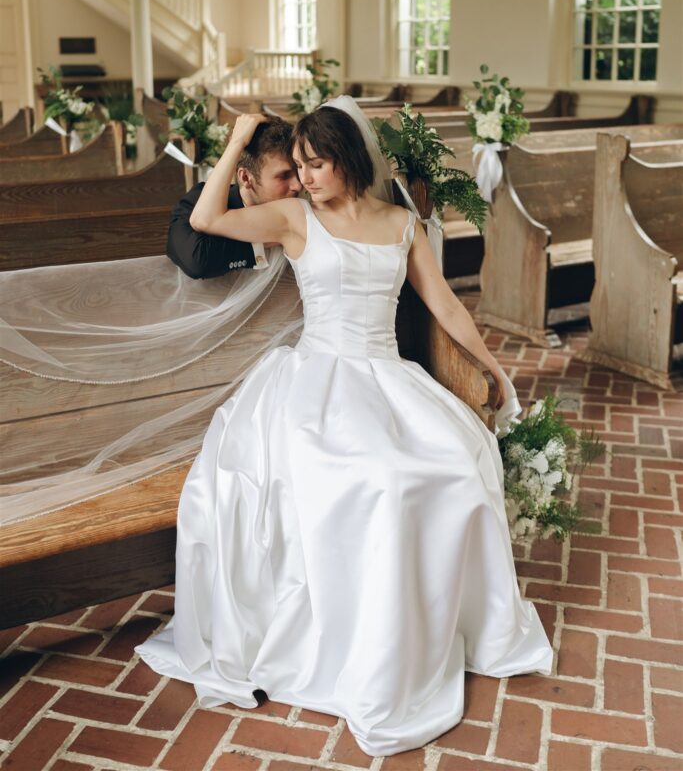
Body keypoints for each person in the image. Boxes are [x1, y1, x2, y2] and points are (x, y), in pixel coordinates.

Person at [135, 99, 553, 757]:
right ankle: (360, 641)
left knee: (456, 466)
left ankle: (440, 626)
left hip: (387, 379)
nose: (303, 178)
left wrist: (492, 368)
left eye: (315, 165)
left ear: (350, 161)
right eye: (297, 167)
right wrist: (241, 133)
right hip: (314, 388)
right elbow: (206, 218)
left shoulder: (399, 222)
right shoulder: (295, 218)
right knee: (380, 482)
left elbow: (441, 301)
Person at [166, 115, 301, 278]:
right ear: (245, 178)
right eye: (284, 176)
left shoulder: (306, 206)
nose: (298, 185)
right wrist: (269, 238)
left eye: (299, 169)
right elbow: (197, 262)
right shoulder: (195, 203)